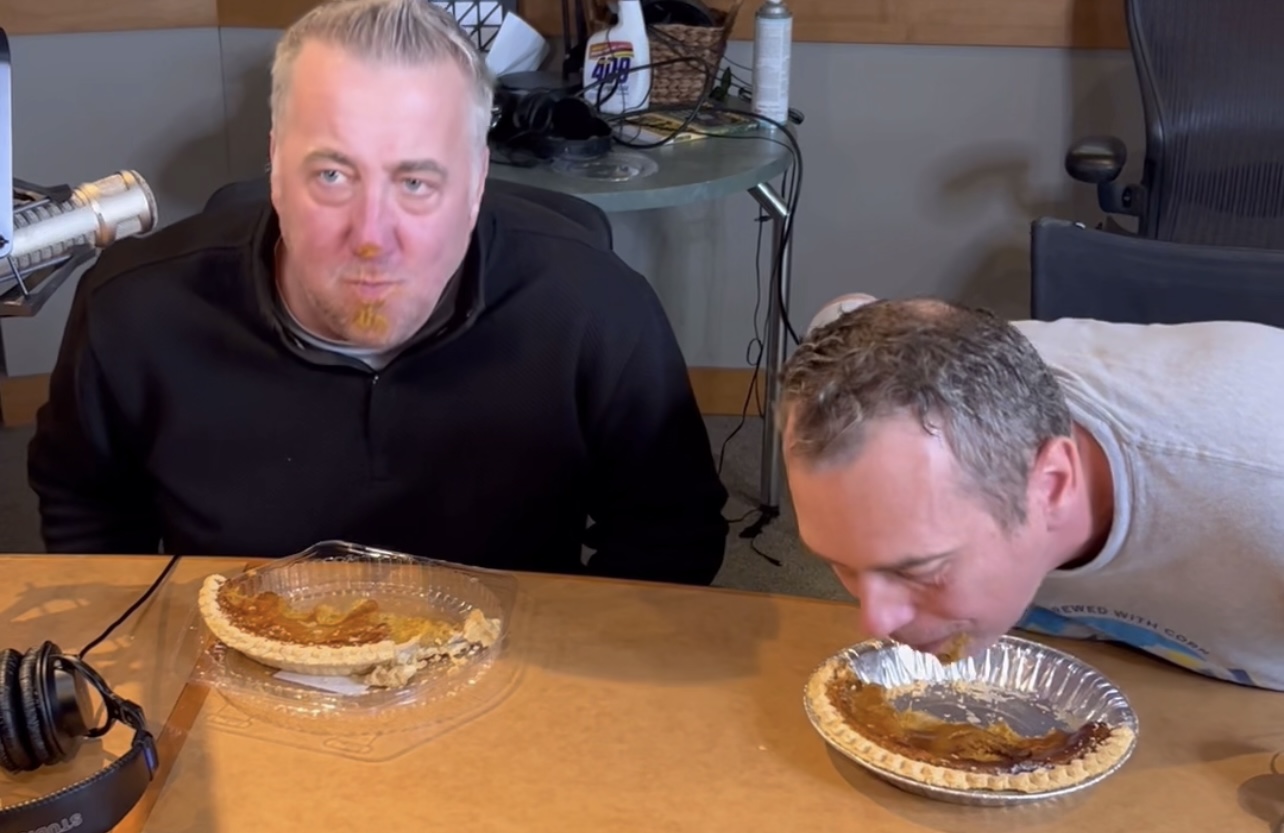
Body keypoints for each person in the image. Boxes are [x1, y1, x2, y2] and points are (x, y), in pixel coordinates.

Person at [27, 0, 730, 586]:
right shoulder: (133, 313)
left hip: (512, 683)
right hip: (239, 677)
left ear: (476, 181)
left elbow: (670, 532)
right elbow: (84, 501)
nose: (372, 236)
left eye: (416, 182)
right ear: (275, 166)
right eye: (332, 175)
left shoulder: (599, 312)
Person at [779, 292, 1284, 690]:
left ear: (1052, 484)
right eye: (840, 564)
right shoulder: (875, 410)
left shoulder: (1262, 490)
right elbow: (846, 313)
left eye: (921, 571)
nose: (874, 622)